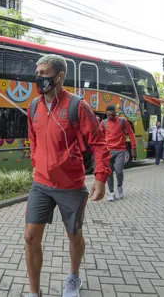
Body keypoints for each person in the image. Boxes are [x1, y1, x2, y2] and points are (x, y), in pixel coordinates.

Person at [25, 54, 110, 297]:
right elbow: (32, 139)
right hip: (40, 183)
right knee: (30, 237)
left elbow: (99, 143)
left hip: (70, 186)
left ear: (59, 76)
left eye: (44, 73)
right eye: (38, 72)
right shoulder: (33, 106)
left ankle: (73, 277)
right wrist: (35, 162)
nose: (38, 77)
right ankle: (34, 293)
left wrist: (101, 177)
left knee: (74, 234)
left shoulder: (77, 106)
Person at [99, 105, 136, 202]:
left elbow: (131, 134)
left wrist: (133, 148)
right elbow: (99, 137)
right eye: (109, 114)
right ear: (106, 113)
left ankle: (119, 186)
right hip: (108, 151)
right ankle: (111, 193)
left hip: (120, 150)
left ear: (115, 112)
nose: (111, 115)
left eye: (112, 113)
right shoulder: (103, 123)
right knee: (109, 173)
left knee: (119, 171)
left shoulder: (123, 121)